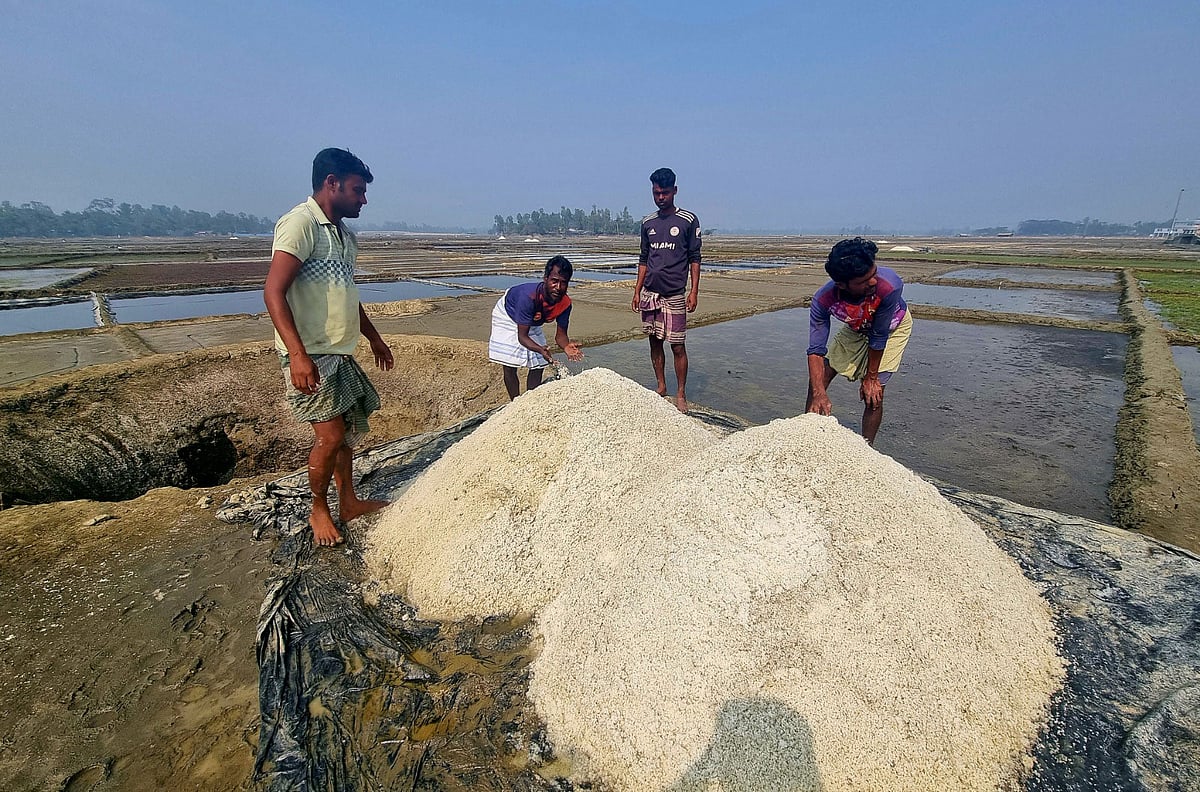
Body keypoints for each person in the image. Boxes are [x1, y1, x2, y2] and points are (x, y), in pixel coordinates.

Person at [263, 148, 394, 547]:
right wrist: (297, 355)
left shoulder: (344, 236)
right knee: (330, 436)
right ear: (331, 183)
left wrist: (373, 337)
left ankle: (348, 502)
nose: (363, 199)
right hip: (312, 353)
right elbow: (273, 292)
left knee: (344, 434)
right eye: (357, 190)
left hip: (339, 351)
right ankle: (319, 508)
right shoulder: (301, 224)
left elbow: (346, 294)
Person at [806, 237, 913, 445]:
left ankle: (867, 448)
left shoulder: (890, 285)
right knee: (820, 377)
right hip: (856, 325)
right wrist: (819, 392)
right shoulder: (823, 299)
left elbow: (879, 336)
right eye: (864, 281)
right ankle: (806, 432)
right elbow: (816, 350)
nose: (873, 282)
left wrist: (871, 377)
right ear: (842, 285)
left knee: (874, 392)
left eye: (874, 274)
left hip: (892, 328)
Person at [631, 167, 702, 412]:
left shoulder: (688, 220)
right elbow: (643, 258)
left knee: (678, 345)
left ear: (675, 191)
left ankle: (680, 393)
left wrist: (693, 291)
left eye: (665, 193)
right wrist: (637, 291)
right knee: (654, 341)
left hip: (674, 294)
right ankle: (661, 386)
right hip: (650, 293)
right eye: (656, 193)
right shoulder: (647, 222)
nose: (660, 197)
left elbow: (694, 257)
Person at [488, 255, 584, 399]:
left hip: (531, 319)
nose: (558, 287)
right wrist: (540, 349)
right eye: (554, 281)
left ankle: (531, 399)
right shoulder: (528, 297)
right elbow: (522, 337)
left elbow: (561, 335)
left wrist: (566, 347)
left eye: (563, 282)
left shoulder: (565, 304)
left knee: (539, 363)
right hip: (508, 314)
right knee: (510, 362)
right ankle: (515, 402)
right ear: (545, 278)